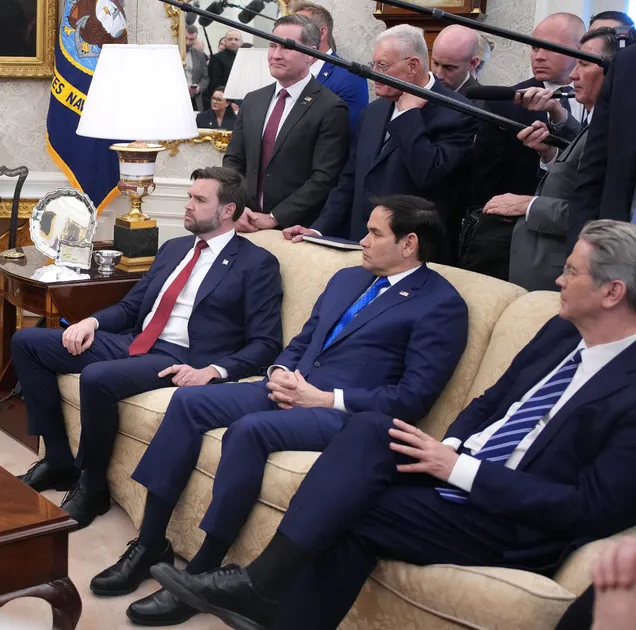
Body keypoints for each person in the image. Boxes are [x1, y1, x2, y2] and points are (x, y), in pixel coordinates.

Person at [149, 219, 636, 630]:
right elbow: (491, 402)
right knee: (370, 432)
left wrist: (456, 468)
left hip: (510, 519)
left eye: (571, 272)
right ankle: (261, 590)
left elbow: (589, 508)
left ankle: (262, 588)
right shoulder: (560, 332)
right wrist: (449, 447)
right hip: (457, 468)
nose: (558, 280)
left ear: (612, 292)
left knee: (349, 510)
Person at [100, 196, 468, 627]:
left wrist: (324, 398)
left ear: (409, 244)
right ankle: (149, 544)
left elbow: (413, 397)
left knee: (249, 431)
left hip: (346, 416)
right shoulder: (348, 278)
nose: (363, 241)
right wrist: (279, 372)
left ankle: (202, 574)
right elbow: (304, 339)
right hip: (290, 387)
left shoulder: (441, 304)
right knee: (188, 401)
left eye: (374, 233)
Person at [13, 167, 283, 529]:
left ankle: (93, 486)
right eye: (189, 196)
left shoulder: (256, 264)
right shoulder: (174, 248)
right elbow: (131, 307)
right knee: (28, 342)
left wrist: (214, 371)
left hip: (180, 357)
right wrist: (91, 323)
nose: (187, 205)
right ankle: (59, 460)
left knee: (97, 378)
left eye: (199, 199)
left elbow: (267, 343)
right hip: (136, 341)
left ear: (228, 210)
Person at [287, 25, 475, 258]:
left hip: (412, 252)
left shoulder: (457, 112)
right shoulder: (373, 111)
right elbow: (349, 180)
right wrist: (318, 230)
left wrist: (408, 116)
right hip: (360, 245)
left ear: (412, 66)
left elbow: (428, 173)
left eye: (382, 66)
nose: (373, 73)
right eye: (373, 64)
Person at [487, 28, 617, 291]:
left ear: (615, 71)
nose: (574, 74)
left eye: (584, 64)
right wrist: (549, 155)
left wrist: (528, 204)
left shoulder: (620, 128)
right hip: (538, 267)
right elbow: (575, 174)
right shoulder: (599, 122)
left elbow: (600, 213)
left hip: (566, 274)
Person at [461, 13, 584, 278]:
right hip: (517, 239)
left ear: (581, 50)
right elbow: (484, 179)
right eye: (534, 47)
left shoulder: (602, 103)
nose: (538, 56)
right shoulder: (506, 102)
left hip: (587, 235)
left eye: (549, 48)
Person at [222, 14, 350, 232]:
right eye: (272, 45)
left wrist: (274, 217)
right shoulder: (252, 100)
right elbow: (234, 160)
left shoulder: (330, 107)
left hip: (294, 230)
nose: (276, 55)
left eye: (287, 47)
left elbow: (323, 178)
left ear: (311, 54)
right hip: (245, 222)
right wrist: (238, 207)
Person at [568, 40, 636, 246]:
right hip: (619, 246)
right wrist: (581, 249)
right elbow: (593, 172)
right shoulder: (626, 62)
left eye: (584, 63)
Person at [290, 2, 369, 130]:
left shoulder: (350, 77)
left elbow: (347, 132)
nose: (291, 35)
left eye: (300, 27)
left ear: (321, 33)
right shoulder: (290, 72)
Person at [430, 25, 483, 95]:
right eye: (435, 63)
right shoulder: (421, 88)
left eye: (449, 68)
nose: (438, 75)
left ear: (473, 63)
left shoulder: (480, 101)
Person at [206, 30, 242, 104]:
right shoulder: (217, 58)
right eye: (230, 39)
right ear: (225, 41)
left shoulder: (244, 57)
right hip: (224, 100)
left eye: (236, 39)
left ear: (241, 42)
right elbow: (216, 84)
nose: (233, 42)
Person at [185, 25, 210, 111]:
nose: (187, 42)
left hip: (194, 99)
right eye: (185, 38)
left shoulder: (199, 55)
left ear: (196, 39)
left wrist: (198, 88)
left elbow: (205, 78)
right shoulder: (173, 52)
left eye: (191, 39)